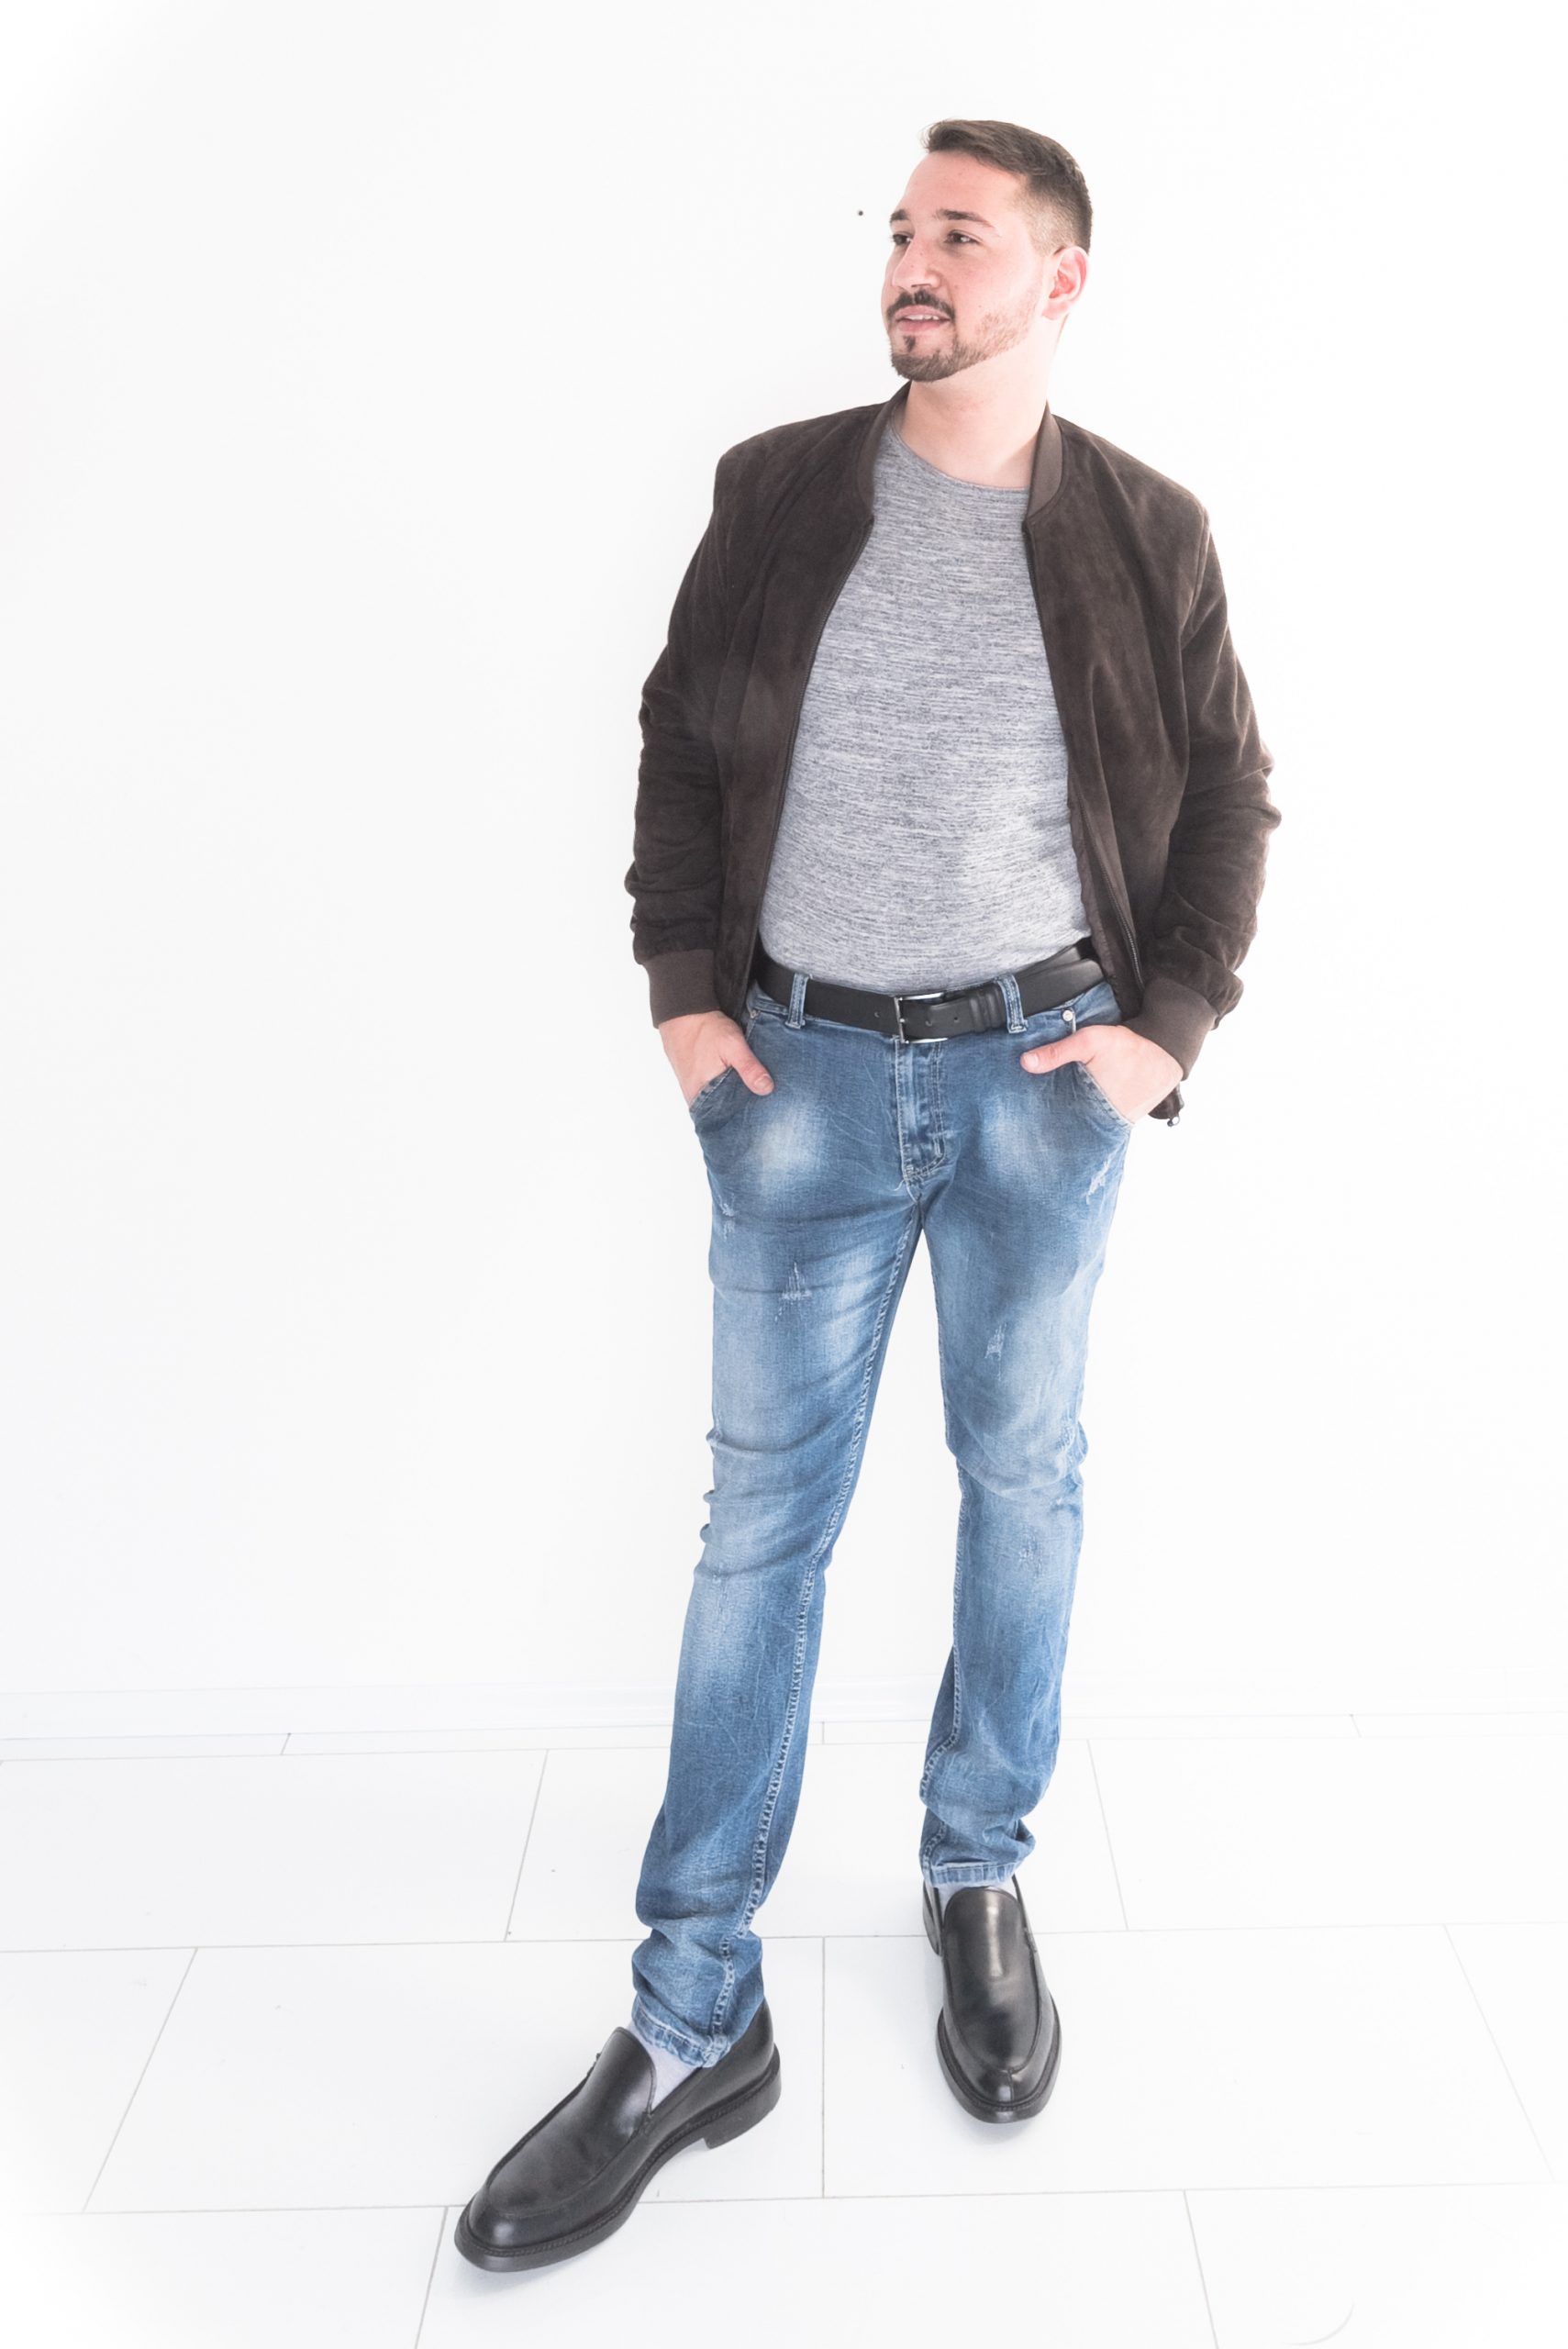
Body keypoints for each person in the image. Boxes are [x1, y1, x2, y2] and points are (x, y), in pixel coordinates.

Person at [456, 115, 1279, 2274]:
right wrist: (683, 998)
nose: (915, 262)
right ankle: (690, 2015)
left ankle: (975, 1865)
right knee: (760, 1533)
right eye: (904, 230)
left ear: (1058, 281)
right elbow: (673, 739)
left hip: (1042, 1082)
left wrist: (1162, 1033)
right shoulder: (779, 489)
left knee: (1025, 1486)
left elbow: (1229, 794)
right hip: (799, 1081)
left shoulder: (1150, 530)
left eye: (962, 236)